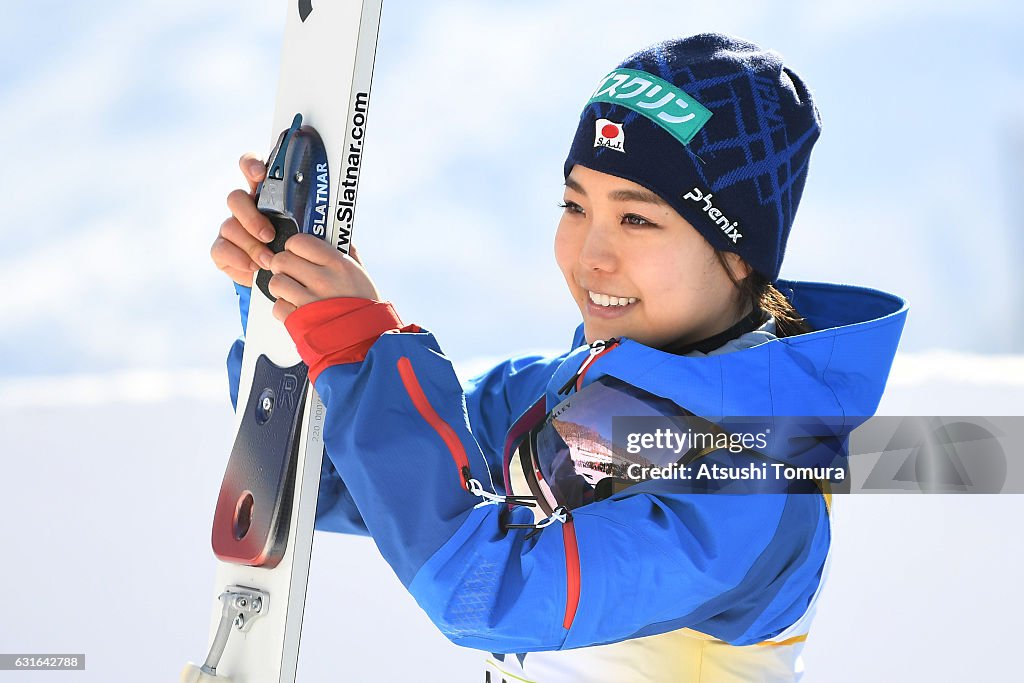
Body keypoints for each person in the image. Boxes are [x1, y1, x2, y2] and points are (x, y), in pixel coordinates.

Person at [211, 34, 908, 683]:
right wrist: (293, 307)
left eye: (636, 217)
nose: (590, 254)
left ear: (738, 254)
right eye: (575, 206)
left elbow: (485, 591)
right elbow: (331, 480)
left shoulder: (754, 476)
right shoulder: (563, 396)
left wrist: (358, 345)